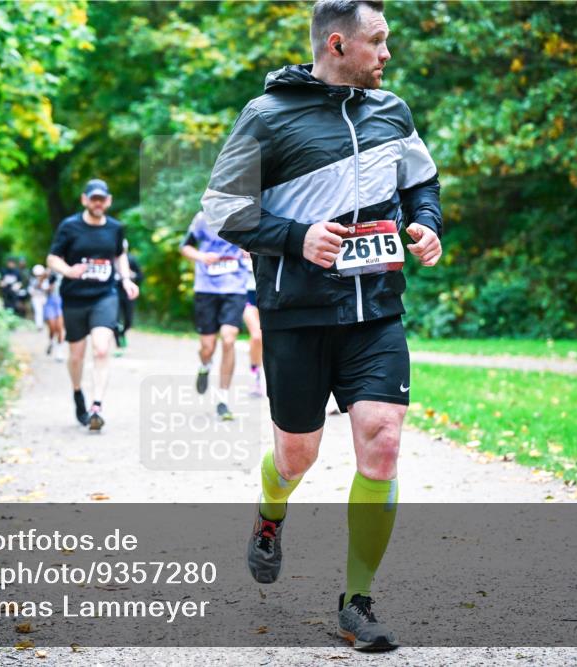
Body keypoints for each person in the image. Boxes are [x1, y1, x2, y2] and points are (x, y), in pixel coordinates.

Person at [202, 0, 442, 651]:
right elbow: (222, 208)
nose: (387, 55)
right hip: (297, 317)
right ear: (338, 44)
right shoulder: (267, 116)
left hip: (376, 314)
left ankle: (357, 600)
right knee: (296, 454)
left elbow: (423, 183)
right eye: (378, 42)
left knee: (382, 438)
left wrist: (427, 226)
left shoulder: (391, 111)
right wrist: (296, 236)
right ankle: (271, 512)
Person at [47, 179, 139, 431]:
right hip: (75, 298)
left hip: (104, 295)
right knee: (76, 355)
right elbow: (52, 258)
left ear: (108, 201)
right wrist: (68, 270)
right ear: (84, 200)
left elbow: (119, 255)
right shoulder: (69, 226)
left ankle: (96, 406)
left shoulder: (115, 228)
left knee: (101, 349)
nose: (98, 203)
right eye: (93, 199)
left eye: (102, 199)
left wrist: (127, 280)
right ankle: (78, 394)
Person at [180, 210, 250, 421]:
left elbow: (258, 244)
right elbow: (185, 247)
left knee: (229, 339)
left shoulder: (243, 218)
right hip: (206, 288)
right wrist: (201, 256)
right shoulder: (202, 218)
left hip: (235, 287)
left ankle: (223, 400)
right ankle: (205, 365)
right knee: (207, 347)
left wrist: (250, 250)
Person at [240, 251, 264, 397]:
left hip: (267, 291)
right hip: (245, 293)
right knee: (256, 336)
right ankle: (255, 378)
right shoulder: (235, 236)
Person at [114, 245, 143, 352]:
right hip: (113, 293)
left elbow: (140, 276)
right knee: (115, 320)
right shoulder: (109, 258)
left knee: (128, 321)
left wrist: (132, 275)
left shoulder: (131, 259)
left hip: (128, 294)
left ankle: (122, 333)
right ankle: (118, 345)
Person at [43, 270, 66, 361]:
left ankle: (59, 352)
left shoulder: (66, 274)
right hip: (50, 303)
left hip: (61, 303)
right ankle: (51, 342)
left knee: (60, 328)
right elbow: (42, 286)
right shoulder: (50, 274)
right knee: (52, 327)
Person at [28, 264, 49, 331]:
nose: (38, 276)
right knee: (38, 311)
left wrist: (41, 285)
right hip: (36, 298)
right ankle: (39, 325)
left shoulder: (46, 280)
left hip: (43, 297)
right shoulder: (32, 280)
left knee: (45, 311)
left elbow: (47, 289)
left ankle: (46, 324)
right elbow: (30, 290)